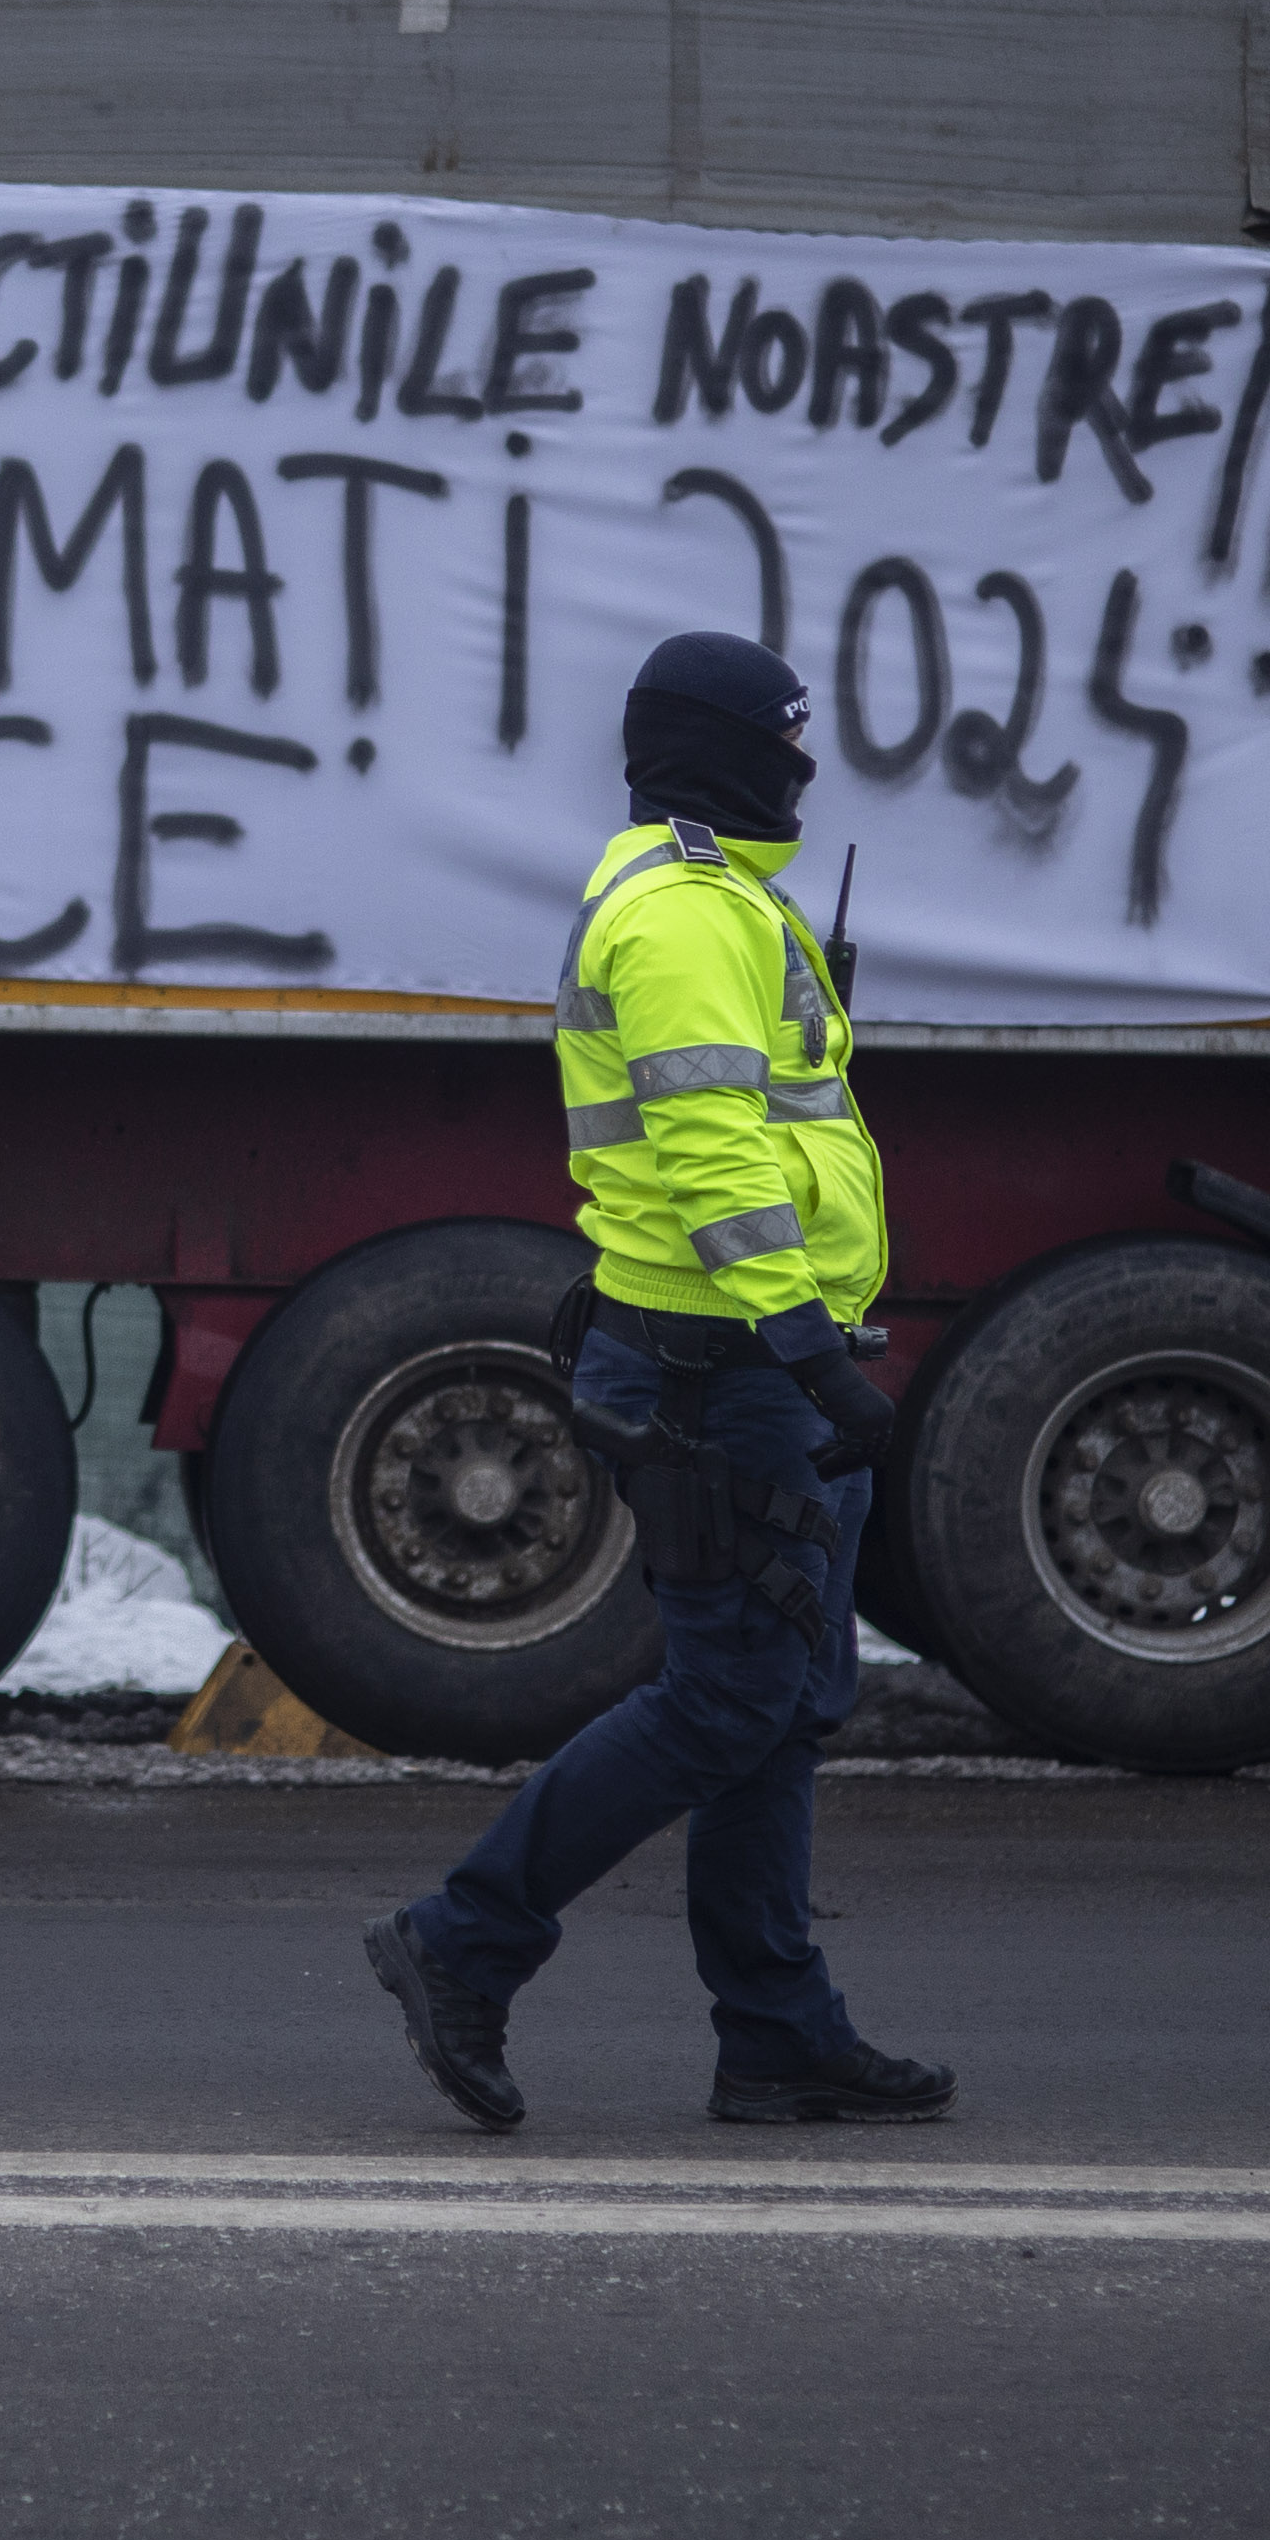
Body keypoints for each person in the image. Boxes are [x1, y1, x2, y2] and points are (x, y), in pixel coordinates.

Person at [363, 630, 956, 2131]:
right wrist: (808, 1347)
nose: (805, 769)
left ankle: (777, 2034)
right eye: (788, 743)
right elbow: (710, 1154)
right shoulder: (686, 913)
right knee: (727, 1699)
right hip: (729, 1364)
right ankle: (461, 1943)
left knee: (783, 1702)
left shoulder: (723, 897)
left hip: (753, 1353)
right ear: (722, 750)